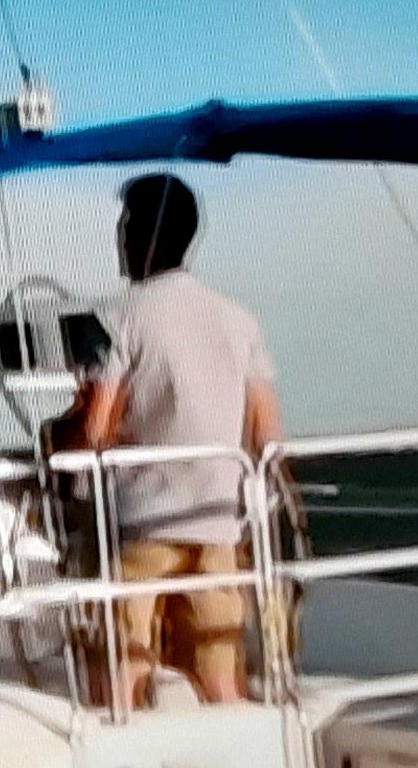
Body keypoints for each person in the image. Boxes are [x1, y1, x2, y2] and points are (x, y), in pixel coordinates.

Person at [70, 173, 280, 706]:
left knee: (123, 670)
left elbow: (94, 430)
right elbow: (267, 433)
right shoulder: (239, 320)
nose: (118, 237)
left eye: (124, 225)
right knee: (221, 675)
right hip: (218, 522)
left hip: (146, 523)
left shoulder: (116, 316)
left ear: (140, 234)